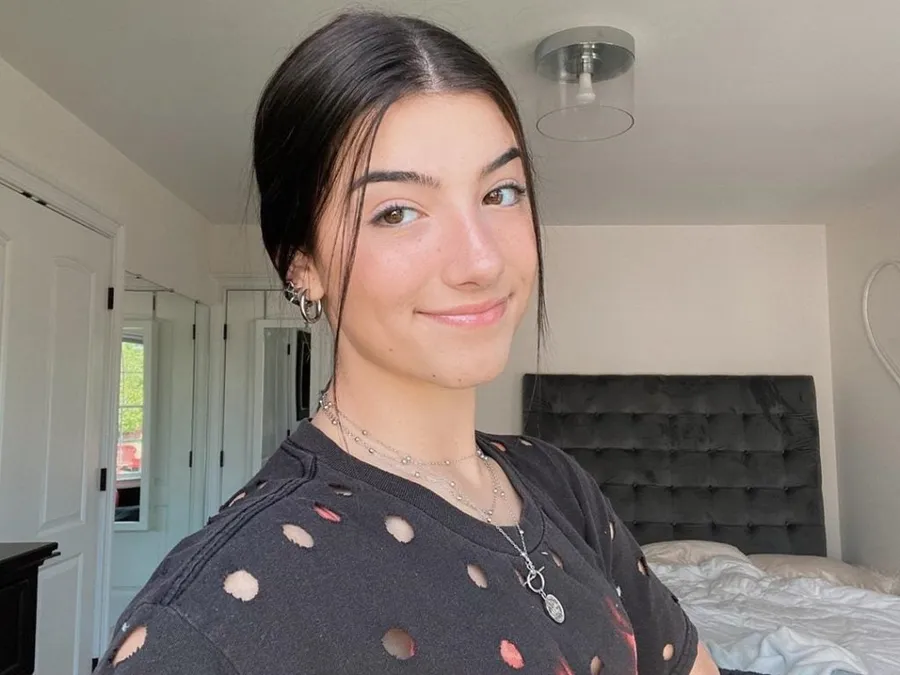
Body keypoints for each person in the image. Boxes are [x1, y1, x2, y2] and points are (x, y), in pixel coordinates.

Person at [96, 11, 721, 675]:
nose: (481, 260)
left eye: (501, 192)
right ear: (300, 263)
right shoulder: (213, 621)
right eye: (396, 212)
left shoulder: (556, 482)